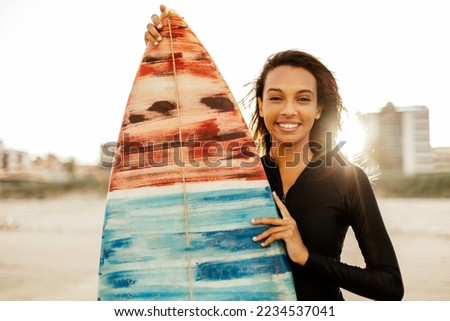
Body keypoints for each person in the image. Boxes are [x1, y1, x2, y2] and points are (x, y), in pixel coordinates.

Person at [144, 5, 404, 301]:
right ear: (261, 105)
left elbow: (389, 286)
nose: (289, 110)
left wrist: (305, 256)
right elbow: (178, 138)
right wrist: (163, 55)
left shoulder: (347, 180)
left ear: (318, 109)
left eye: (303, 99)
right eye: (276, 97)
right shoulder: (238, 174)